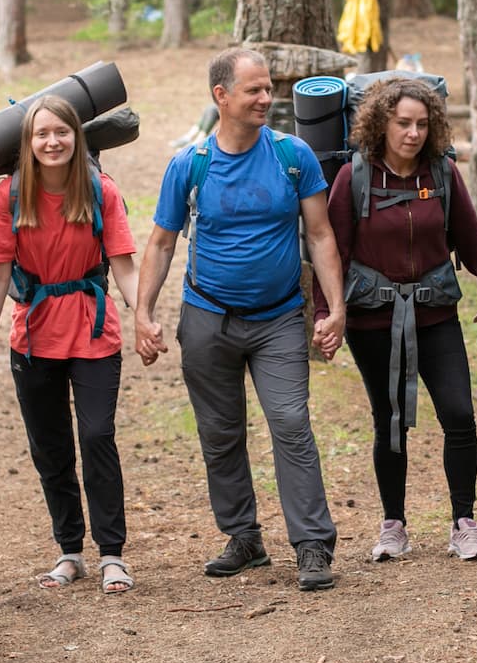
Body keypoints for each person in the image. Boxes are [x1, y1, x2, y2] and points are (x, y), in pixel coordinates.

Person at [134, 47, 347, 592]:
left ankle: (312, 546)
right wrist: (143, 313)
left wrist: (334, 308)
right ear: (220, 96)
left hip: (278, 320)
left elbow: (320, 235)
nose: (265, 97)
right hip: (207, 318)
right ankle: (244, 538)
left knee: (290, 424)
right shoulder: (191, 164)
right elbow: (159, 243)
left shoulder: (292, 155)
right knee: (220, 433)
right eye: (253, 89)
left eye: (268, 87)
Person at [322, 78, 477, 562]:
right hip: (372, 320)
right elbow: (333, 252)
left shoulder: (442, 174)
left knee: (459, 415)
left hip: (435, 314)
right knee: (390, 421)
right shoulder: (354, 177)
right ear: (381, 122)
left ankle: (464, 522)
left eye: (423, 124)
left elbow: (471, 239)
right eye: (403, 122)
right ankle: (393, 525)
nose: (413, 133)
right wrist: (327, 314)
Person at [0, 97, 141, 593]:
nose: (53, 142)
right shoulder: (10, 196)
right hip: (32, 336)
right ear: (28, 143)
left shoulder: (99, 190)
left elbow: (124, 265)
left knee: (96, 437)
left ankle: (112, 553)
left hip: (93, 330)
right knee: (50, 448)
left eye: (62, 133)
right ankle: (70, 550)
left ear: (77, 137)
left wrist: (145, 318)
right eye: (41, 134)